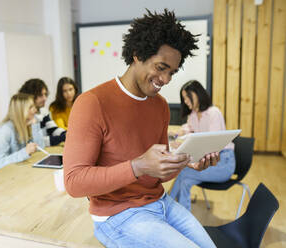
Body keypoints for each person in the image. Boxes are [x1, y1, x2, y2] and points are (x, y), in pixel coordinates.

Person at [63, 9, 219, 248]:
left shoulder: (161, 106)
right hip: (117, 215)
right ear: (137, 55)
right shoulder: (92, 103)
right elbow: (74, 182)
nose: (166, 80)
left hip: (161, 202)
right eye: (160, 67)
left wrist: (186, 161)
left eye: (172, 72)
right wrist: (137, 166)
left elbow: (158, 173)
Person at [169, 80, 235, 211]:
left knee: (184, 172)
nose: (186, 101)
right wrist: (177, 136)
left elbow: (211, 145)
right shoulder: (193, 115)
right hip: (206, 162)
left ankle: (168, 207)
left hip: (222, 163)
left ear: (198, 94)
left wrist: (184, 145)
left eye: (188, 97)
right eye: (184, 98)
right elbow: (187, 130)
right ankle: (178, 214)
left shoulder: (213, 113)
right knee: (185, 182)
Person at [0, 93, 45, 170]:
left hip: (14, 169)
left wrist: (35, 125)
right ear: (20, 111)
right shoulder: (4, 131)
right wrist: (24, 152)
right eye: (31, 107)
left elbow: (40, 147)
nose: (35, 110)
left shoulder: (25, 124)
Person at [19, 78, 66, 146]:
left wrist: (66, 134)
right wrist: (62, 138)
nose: (45, 98)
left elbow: (53, 129)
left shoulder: (43, 110)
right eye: (41, 95)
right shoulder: (26, 115)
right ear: (31, 96)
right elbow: (36, 142)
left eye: (45, 94)